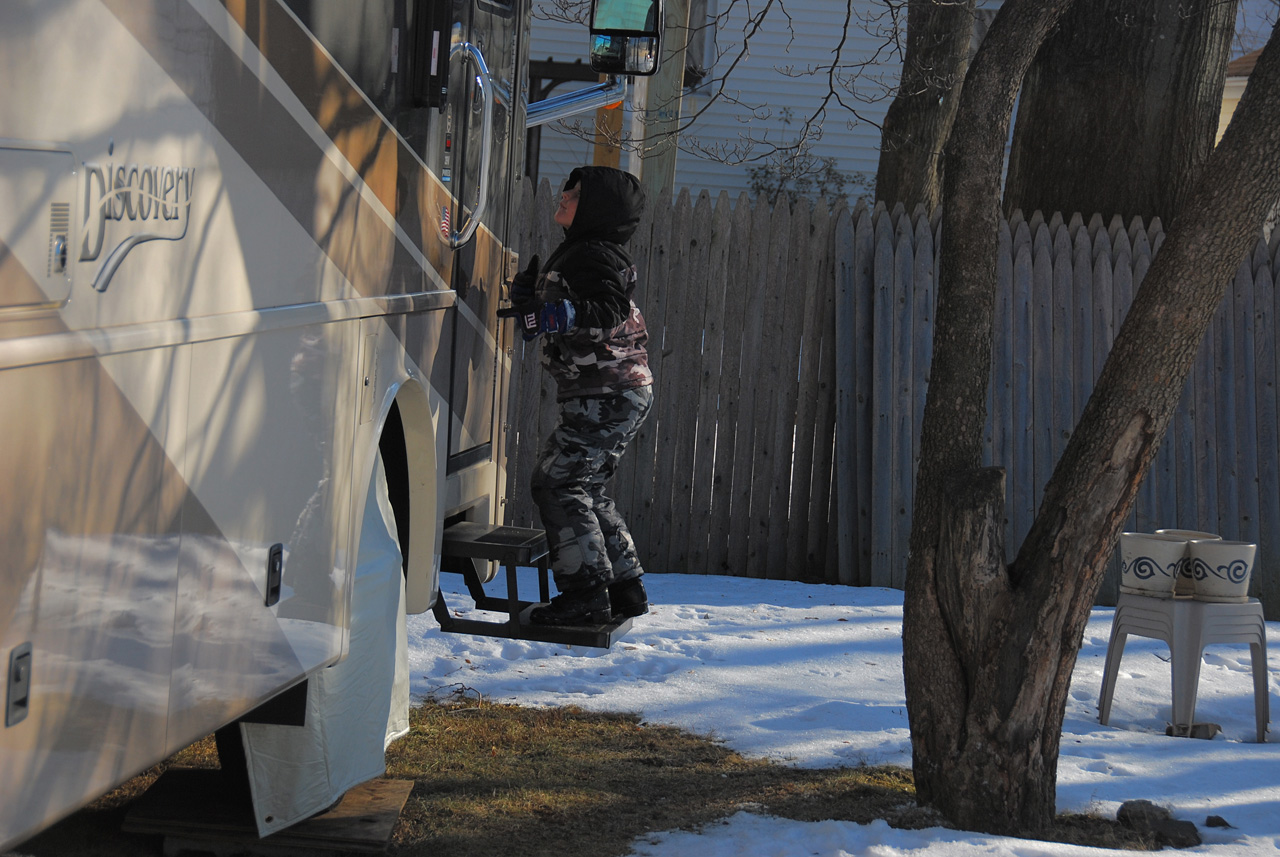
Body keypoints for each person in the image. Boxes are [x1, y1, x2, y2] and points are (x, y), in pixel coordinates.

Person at [499, 166, 654, 626]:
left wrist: (550, 314)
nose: (564, 196)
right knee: (584, 485)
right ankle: (626, 587)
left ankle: (586, 594)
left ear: (596, 208)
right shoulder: (585, 251)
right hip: (617, 391)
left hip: (606, 392)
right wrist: (534, 304)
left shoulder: (590, 254)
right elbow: (572, 307)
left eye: (576, 193)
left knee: (557, 484)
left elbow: (607, 309)